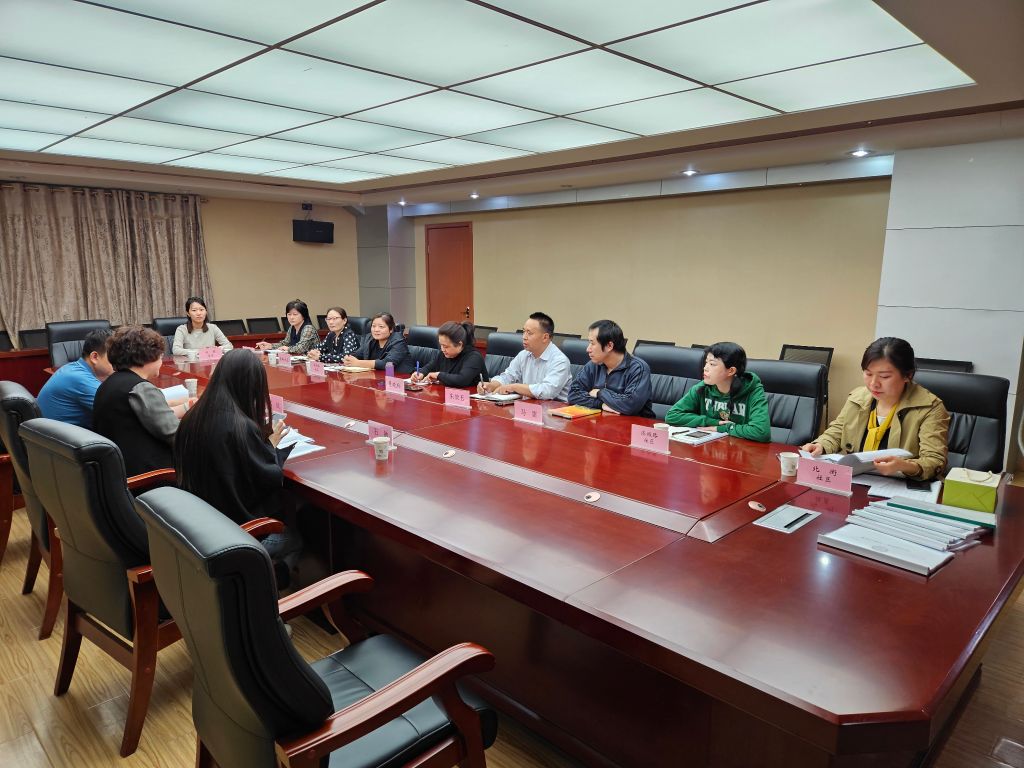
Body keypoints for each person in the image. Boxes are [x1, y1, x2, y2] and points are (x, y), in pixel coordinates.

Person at [174, 349, 302, 573]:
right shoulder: (240, 427)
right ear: (251, 385)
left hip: (199, 527)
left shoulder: (193, 415)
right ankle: (277, 579)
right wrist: (270, 445)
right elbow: (268, 478)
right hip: (236, 534)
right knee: (297, 536)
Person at [800, 337, 949, 479]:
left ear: (907, 375)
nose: (873, 384)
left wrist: (904, 466)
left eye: (884, 377)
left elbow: (934, 460)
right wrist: (821, 445)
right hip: (856, 480)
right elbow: (837, 431)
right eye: (868, 373)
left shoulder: (930, 408)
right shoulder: (857, 397)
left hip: (901, 486)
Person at [93, 325, 192, 475]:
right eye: (160, 356)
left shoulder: (107, 384)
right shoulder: (140, 388)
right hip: (152, 474)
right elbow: (176, 434)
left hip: (117, 470)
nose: (161, 361)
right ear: (147, 357)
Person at [665, 342, 770, 442]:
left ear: (731, 371)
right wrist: (711, 422)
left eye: (712, 364)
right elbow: (672, 416)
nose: (705, 368)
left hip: (741, 449)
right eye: (706, 362)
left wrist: (724, 428)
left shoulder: (753, 391)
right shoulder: (702, 387)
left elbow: (761, 432)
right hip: (709, 447)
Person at [568, 320, 654, 417]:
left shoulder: (638, 368)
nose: (588, 349)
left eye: (592, 343)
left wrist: (600, 393)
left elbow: (630, 405)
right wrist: (601, 404)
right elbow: (573, 394)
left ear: (609, 346)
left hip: (632, 424)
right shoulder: (593, 365)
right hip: (601, 422)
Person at [479, 312, 571, 401]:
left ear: (545, 337)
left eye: (529, 333)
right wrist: (492, 385)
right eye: (524, 332)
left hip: (554, 408)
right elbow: (508, 376)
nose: (524, 337)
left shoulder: (560, 361)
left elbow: (547, 392)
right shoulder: (524, 354)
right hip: (528, 406)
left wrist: (514, 387)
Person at [37, 328, 114, 428]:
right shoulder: (79, 379)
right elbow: (119, 412)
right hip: (62, 436)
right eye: (114, 356)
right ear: (94, 357)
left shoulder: (73, 368)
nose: (119, 360)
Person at [411, 321, 487, 387]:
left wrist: (438, 375)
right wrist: (421, 373)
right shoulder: (444, 353)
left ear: (460, 344)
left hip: (470, 397)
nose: (442, 349)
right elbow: (430, 367)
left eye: (446, 346)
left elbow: (462, 380)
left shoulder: (474, 357)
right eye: (441, 345)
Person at [343, 312, 415, 374]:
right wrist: (349, 359)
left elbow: (387, 364)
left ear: (391, 329)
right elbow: (357, 354)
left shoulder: (399, 341)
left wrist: (358, 363)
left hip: (399, 379)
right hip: (376, 378)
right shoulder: (369, 338)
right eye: (373, 326)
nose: (376, 330)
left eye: (381, 327)